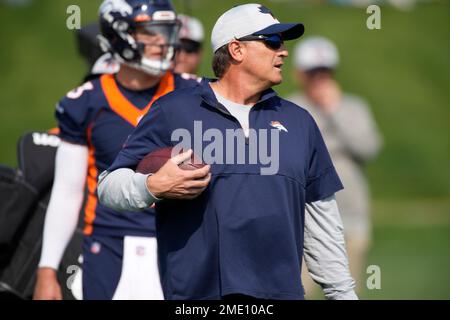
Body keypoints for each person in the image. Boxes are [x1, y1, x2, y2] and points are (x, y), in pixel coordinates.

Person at [98, 3, 357, 300]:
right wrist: (152, 186)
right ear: (236, 50)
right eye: (272, 41)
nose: (283, 51)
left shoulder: (300, 123)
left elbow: (322, 221)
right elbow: (108, 186)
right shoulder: (173, 110)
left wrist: (343, 294)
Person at [33, 0, 199, 300]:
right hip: (109, 245)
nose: (163, 42)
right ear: (120, 34)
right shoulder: (85, 102)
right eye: (151, 32)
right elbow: (68, 191)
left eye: (167, 31)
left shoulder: (196, 93)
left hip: (183, 241)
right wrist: (47, 270)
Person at [287, 36, 383, 295]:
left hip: (350, 217)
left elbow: (369, 148)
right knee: (297, 292)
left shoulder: (352, 106)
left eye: (325, 71)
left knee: (347, 292)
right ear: (299, 74)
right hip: (303, 219)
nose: (320, 78)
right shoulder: (289, 108)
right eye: (312, 73)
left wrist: (335, 110)